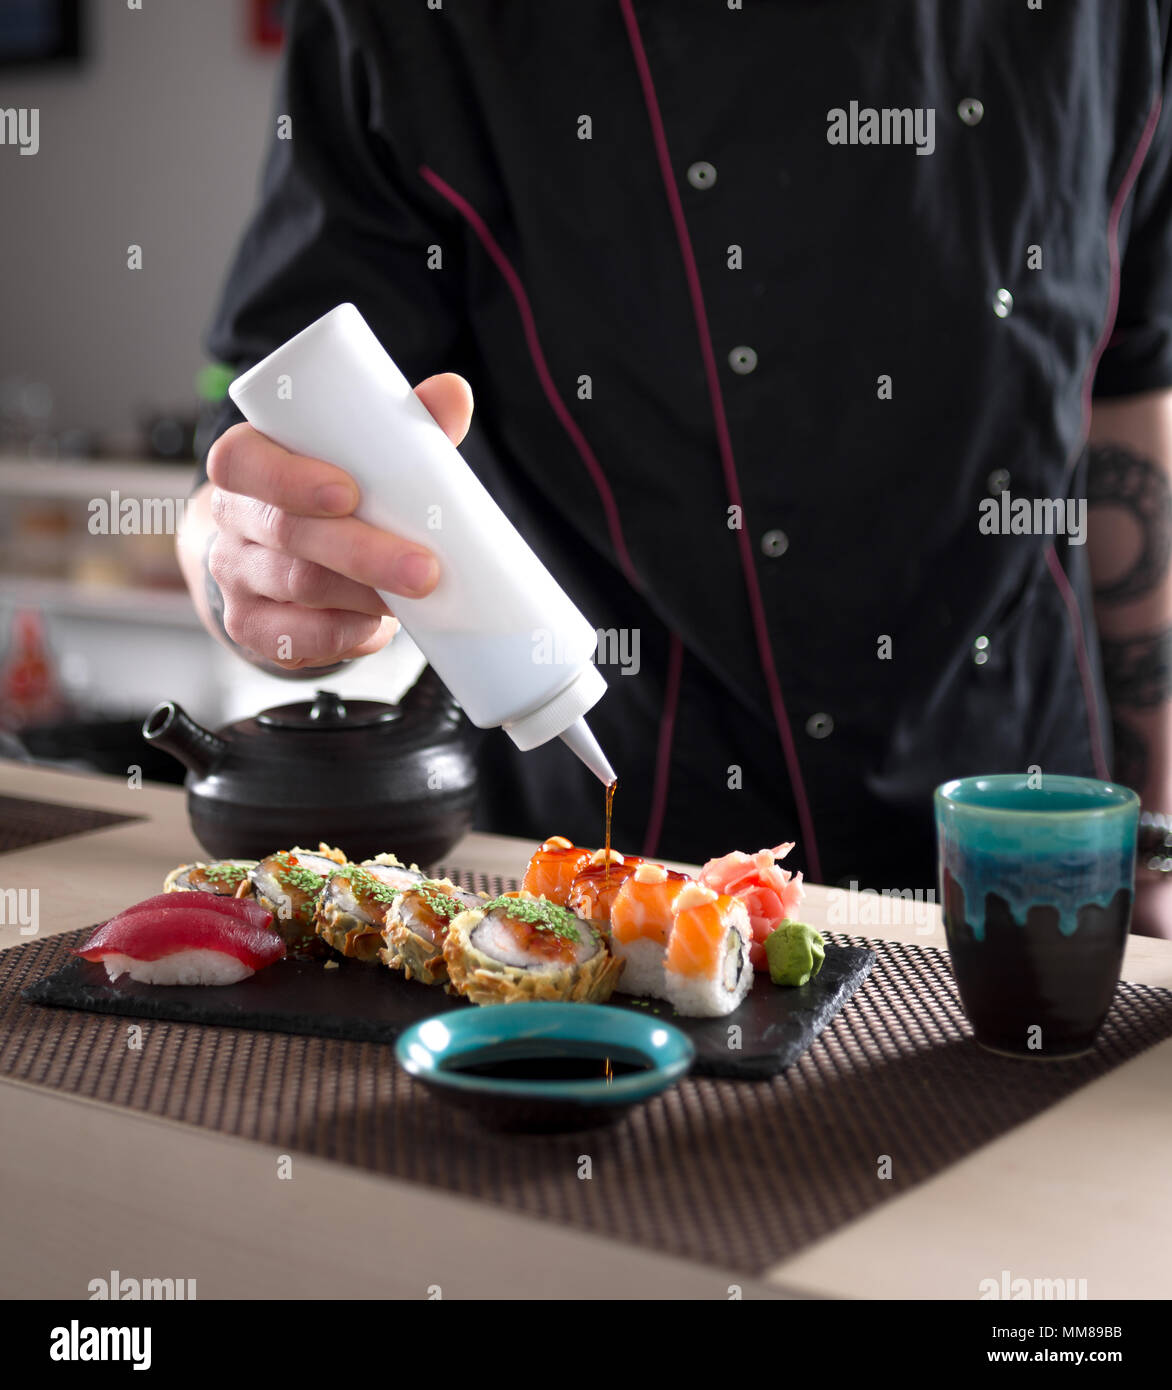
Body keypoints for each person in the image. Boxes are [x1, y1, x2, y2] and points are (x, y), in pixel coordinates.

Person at [178, 0, 1172, 936]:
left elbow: (1133, 406)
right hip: (607, 876)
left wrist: (1159, 846)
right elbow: (256, 447)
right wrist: (260, 566)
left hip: (1039, 856)